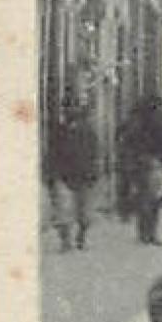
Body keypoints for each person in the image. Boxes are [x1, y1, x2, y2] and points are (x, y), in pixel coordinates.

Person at [46, 100, 100, 253]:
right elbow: (52, 153)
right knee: (62, 210)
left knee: (84, 211)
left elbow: (94, 153)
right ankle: (65, 241)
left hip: (83, 175)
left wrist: (94, 172)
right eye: (67, 108)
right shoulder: (58, 131)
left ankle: (81, 237)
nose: (70, 111)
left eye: (73, 108)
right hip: (63, 175)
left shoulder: (89, 131)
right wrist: (51, 173)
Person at [117, 97, 162, 244]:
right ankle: (149, 233)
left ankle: (145, 232)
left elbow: (123, 141)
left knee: (145, 198)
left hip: (139, 163)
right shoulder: (153, 125)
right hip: (150, 161)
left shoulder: (131, 124)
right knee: (151, 199)